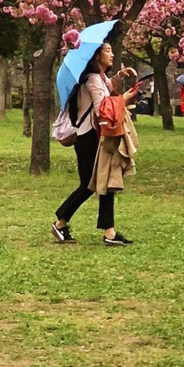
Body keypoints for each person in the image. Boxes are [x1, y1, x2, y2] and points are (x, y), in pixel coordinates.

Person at [52, 38, 138, 246]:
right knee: (88, 185)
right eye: (108, 51)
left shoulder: (98, 77)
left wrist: (118, 76)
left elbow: (107, 89)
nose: (112, 54)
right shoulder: (92, 79)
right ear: (97, 56)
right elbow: (103, 107)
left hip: (97, 137)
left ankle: (109, 233)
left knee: (106, 183)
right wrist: (123, 99)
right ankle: (61, 222)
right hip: (89, 139)